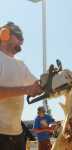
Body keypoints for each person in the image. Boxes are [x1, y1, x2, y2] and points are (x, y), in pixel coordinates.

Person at [0, 22, 43, 150]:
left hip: (17, 134)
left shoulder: (21, 65)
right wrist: (26, 89)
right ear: (5, 34)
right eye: (18, 36)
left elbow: (38, 85)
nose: (22, 40)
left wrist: (56, 81)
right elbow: (28, 89)